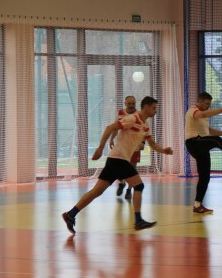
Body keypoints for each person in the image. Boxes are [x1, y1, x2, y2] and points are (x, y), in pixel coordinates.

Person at [62, 96, 173, 235]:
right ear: (146, 107)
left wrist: (165, 151)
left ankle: (70, 214)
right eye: (154, 108)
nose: (155, 111)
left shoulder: (145, 125)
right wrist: (100, 148)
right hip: (118, 159)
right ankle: (138, 220)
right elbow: (110, 128)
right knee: (139, 185)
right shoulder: (133, 118)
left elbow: (152, 144)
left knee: (96, 192)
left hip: (115, 161)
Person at [109, 95, 142, 200]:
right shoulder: (121, 113)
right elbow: (115, 127)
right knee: (120, 168)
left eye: (133, 103)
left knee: (132, 169)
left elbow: (144, 130)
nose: (131, 105)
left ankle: (129, 190)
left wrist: (143, 143)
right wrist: (111, 139)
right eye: (129, 104)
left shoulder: (140, 115)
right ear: (125, 104)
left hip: (135, 146)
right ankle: (122, 183)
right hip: (122, 146)